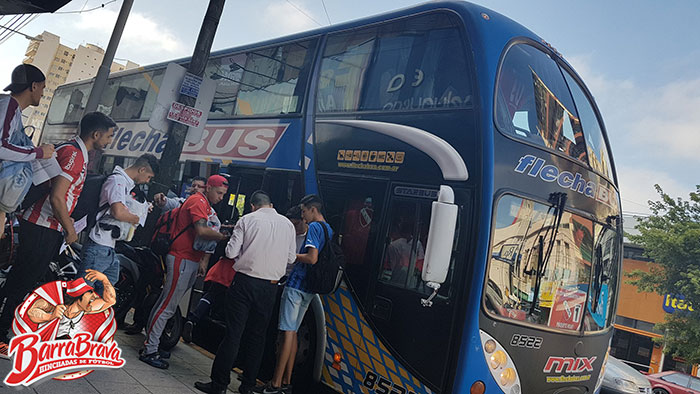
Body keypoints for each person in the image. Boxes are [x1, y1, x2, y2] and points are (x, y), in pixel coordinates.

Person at [0, 111, 116, 358]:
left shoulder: (76, 153)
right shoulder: (74, 154)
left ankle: (6, 330)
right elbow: (57, 197)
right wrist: (70, 229)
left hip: (46, 226)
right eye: (108, 135)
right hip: (42, 225)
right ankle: (0, 335)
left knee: (23, 280)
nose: (109, 141)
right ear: (96, 134)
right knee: (21, 282)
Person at [195, 191, 296, 394]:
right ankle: (248, 386)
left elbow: (230, 253)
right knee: (257, 337)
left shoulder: (247, 220)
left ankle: (219, 384)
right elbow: (291, 258)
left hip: (244, 283)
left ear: (252, 206)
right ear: (271, 204)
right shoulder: (288, 225)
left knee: (233, 333)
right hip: (270, 286)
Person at [140, 175, 230, 369]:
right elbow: (202, 231)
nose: (222, 197)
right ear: (209, 188)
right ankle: (150, 349)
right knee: (168, 305)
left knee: (166, 303)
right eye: (220, 193)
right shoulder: (198, 201)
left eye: (224, 194)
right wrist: (224, 236)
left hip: (189, 258)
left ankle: (153, 344)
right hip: (181, 257)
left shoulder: (204, 204)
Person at [256, 194, 332, 394]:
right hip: (310, 289)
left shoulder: (315, 227)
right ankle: (287, 381)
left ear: (312, 209)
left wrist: (289, 256)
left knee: (286, 332)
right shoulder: (328, 229)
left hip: (297, 284)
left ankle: (275, 383)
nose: (303, 215)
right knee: (294, 331)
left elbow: (312, 258)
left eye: (304, 211)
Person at [78, 154, 159, 295]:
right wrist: (137, 218)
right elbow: (118, 212)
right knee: (82, 291)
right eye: (149, 177)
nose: (147, 181)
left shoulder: (126, 184)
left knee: (105, 291)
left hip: (109, 246)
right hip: (99, 243)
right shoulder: (117, 181)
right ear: (142, 169)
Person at [0, 64, 55, 233]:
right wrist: (38, 153)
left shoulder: (13, 110)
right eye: (43, 88)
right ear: (34, 86)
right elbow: (1, 146)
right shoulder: (8, 105)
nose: (43, 93)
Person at [25, 272, 116, 340]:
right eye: (90, 293)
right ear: (78, 296)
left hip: (61, 342)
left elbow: (110, 300)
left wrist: (105, 280)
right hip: (42, 339)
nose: (94, 296)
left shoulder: (83, 309)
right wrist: (50, 316)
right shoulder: (56, 304)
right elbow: (31, 311)